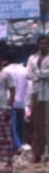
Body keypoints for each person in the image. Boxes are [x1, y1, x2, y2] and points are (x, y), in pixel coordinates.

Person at [27, 35, 49, 163]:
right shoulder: (32, 58)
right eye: (41, 43)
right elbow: (28, 74)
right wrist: (42, 75)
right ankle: (37, 153)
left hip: (48, 94)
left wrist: (39, 75)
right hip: (36, 93)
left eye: (45, 43)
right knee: (36, 124)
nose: (43, 45)